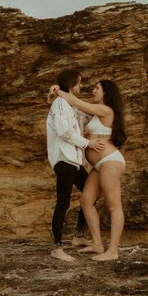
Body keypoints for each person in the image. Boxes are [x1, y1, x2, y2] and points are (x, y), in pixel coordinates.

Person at [49, 79, 127, 261]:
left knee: (114, 205)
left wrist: (58, 90)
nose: (93, 90)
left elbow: (76, 102)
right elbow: (72, 112)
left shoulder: (106, 110)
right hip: (99, 166)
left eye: (97, 88)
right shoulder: (96, 112)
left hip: (110, 161)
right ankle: (98, 244)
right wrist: (52, 101)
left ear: (106, 92)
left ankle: (113, 251)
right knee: (86, 201)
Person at [46, 69, 105, 262]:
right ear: (72, 85)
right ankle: (56, 247)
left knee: (91, 194)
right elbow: (64, 132)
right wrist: (89, 143)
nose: (81, 86)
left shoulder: (70, 104)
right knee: (62, 202)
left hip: (74, 160)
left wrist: (101, 106)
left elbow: (86, 118)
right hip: (64, 158)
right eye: (79, 83)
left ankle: (79, 236)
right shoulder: (60, 103)